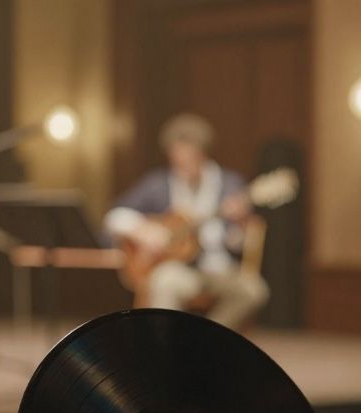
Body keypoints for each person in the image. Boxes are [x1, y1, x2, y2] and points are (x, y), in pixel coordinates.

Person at [103, 113, 269, 330]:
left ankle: (210, 339)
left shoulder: (230, 184)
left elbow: (236, 243)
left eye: (189, 156)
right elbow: (114, 215)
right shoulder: (158, 183)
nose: (182, 163)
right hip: (179, 269)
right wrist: (143, 231)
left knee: (254, 291)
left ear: (203, 153)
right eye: (176, 156)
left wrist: (240, 223)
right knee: (164, 281)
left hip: (219, 267)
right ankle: (165, 347)